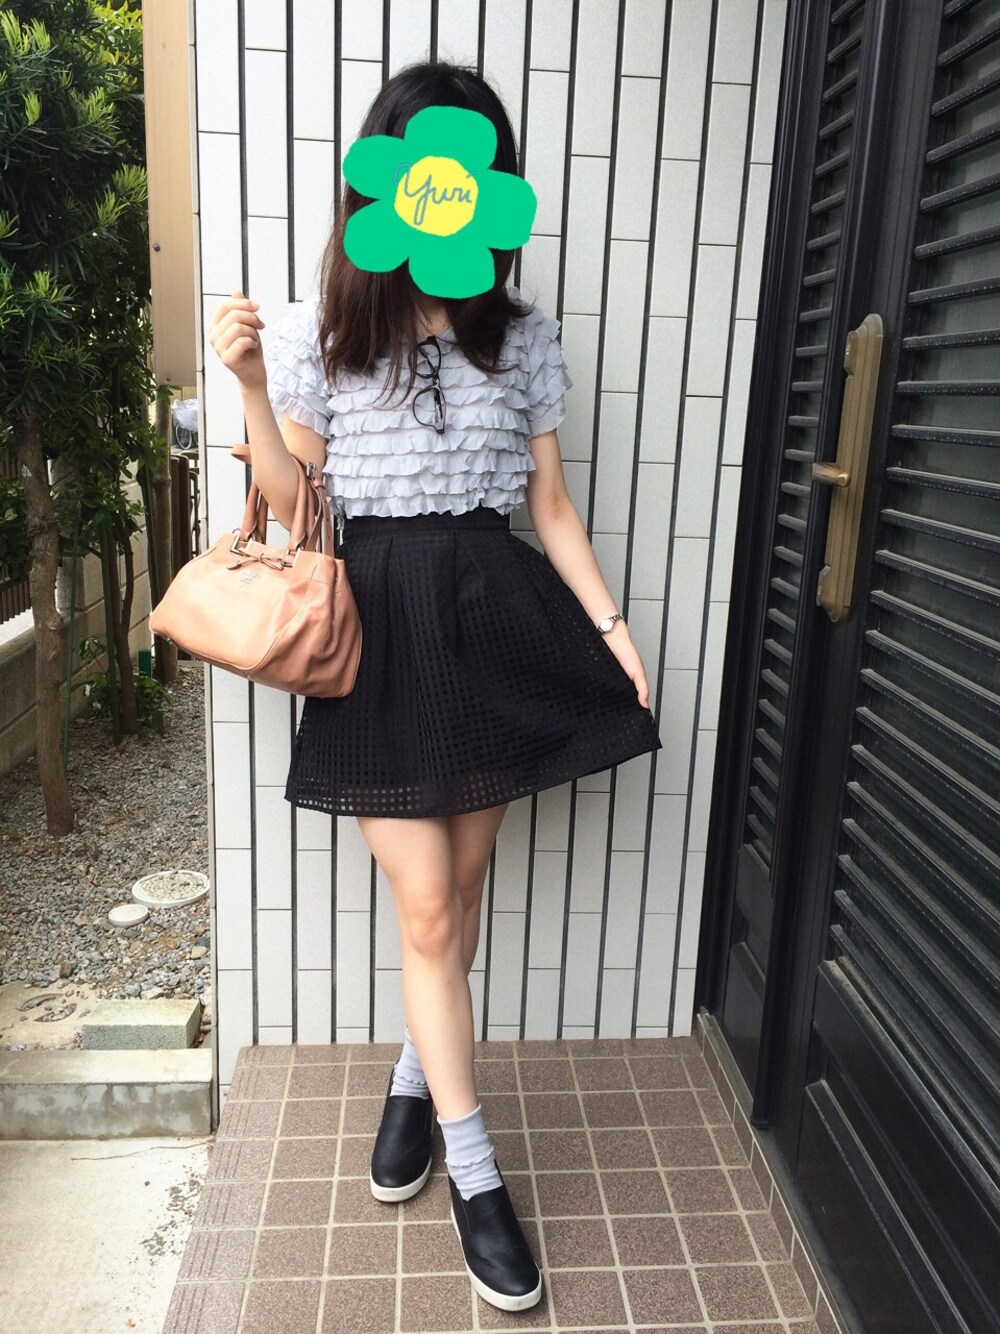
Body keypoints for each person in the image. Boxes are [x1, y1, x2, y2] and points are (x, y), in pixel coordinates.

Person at [209, 59, 662, 1316]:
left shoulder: (518, 337)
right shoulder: (322, 333)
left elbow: (549, 508)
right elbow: (295, 510)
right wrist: (249, 387)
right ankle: (477, 1175)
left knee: (458, 890)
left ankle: (415, 1081)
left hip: (490, 616)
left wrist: (612, 627)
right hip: (379, 630)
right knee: (424, 907)